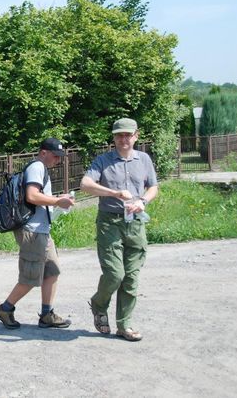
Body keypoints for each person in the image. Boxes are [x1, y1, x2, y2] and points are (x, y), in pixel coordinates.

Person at [80, 118, 158, 342]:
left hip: (135, 222)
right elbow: (85, 184)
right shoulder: (103, 161)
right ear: (114, 137)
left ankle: (124, 325)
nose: (123, 139)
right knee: (115, 274)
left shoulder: (144, 159)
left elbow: (153, 186)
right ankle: (99, 304)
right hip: (109, 223)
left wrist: (142, 201)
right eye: (119, 135)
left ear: (136, 136)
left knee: (131, 278)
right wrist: (113, 193)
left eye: (127, 135)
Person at [0, 138, 75, 329]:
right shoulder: (37, 166)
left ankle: (47, 314)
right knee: (30, 277)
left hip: (42, 231)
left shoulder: (40, 169)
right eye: (55, 156)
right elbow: (32, 196)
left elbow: (39, 197)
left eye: (59, 157)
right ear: (44, 152)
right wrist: (57, 202)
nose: (58, 160)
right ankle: (5, 309)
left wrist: (58, 198)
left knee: (52, 271)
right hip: (32, 231)